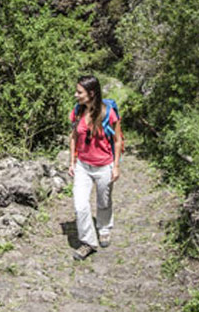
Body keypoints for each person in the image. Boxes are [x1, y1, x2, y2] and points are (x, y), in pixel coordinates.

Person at [68, 75, 123, 260]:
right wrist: (72, 162)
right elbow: (74, 137)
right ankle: (88, 242)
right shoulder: (77, 111)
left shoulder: (108, 113)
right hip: (83, 166)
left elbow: (117, 140)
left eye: (79, 92)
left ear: (91, 93)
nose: (76, 95)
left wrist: (116, 166)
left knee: (103, 202)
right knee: (80, 205)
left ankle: (104, 228)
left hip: (104, 166)